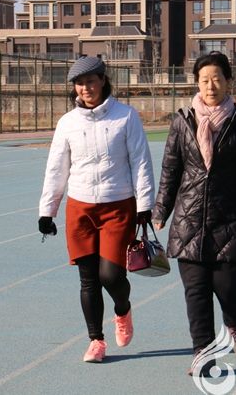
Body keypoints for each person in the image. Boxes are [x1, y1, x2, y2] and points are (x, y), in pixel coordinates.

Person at [151, 52, 236, 372]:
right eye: (204, 80)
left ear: (228, 81)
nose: (210, 86)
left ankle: (235, 323)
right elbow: (170, 169)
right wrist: (160, 209)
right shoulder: (182, 121)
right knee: (196, 291)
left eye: (217, 79)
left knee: (228, 287)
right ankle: (203, 351)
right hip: (189, 219)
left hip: (230, 219)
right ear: (196, 83)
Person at [38, 56, 155, 363]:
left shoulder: (125, 117)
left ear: (103, 80)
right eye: (79, 83)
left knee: (111, 275)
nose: (85, 88)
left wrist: (145, 204)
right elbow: (56, 168)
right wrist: (47, 211)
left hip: (118, 205)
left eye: (90, 81)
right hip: (80, 208)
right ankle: (96, 341)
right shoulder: (67, 123)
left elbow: (141, 162)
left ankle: (122, 310)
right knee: (88, 279)